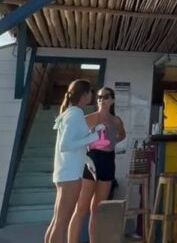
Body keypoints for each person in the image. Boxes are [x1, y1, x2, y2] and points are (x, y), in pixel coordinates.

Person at [45, 80, 100, 243]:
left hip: (65, 172)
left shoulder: (70, 112)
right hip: (70, 175)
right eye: (90, 92)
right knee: (61, 224)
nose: (92, 95)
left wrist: (87, 160)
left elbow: (73, 144)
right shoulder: (75, 114)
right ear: (84, 94)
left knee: (57, 222)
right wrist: (93, 137)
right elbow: (66, 145)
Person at [69, 87, 126, 243]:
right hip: (92, 159)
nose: (101, 99)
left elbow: (122, 134)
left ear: (112, 100)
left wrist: (113, 141)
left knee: (98, 209)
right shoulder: (89, 118)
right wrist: (89, 144)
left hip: (108, 160)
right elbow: (75, 137)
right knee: (82, 207)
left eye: (106, 97)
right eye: (99, 97)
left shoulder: (116, 120)